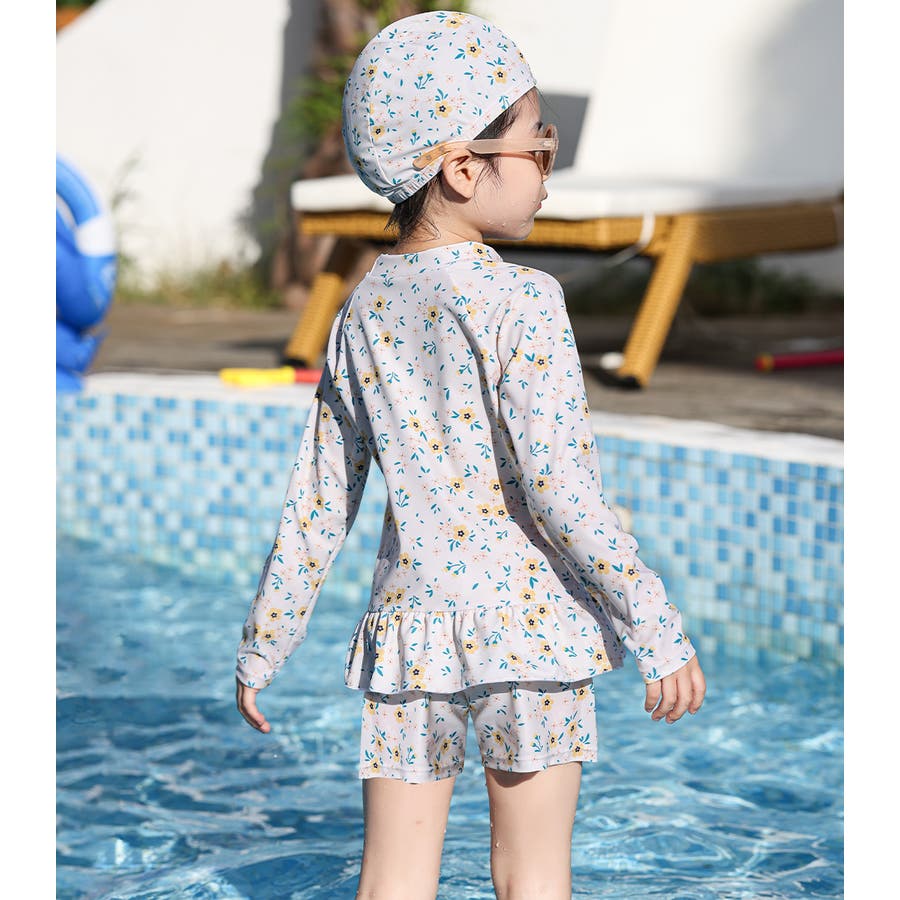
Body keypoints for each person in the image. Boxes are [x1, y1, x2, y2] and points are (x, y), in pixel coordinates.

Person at [235, 10, 706, 899]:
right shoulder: (524, 300)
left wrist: (265, 645)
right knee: (532, 873)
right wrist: (653, 621)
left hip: (410, 638)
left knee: (392, 877)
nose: (547, 167)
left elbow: (320, 499)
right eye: (539, 145)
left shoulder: (362, 310)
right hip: (530, 632)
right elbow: (560, 491)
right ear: (461, 168)